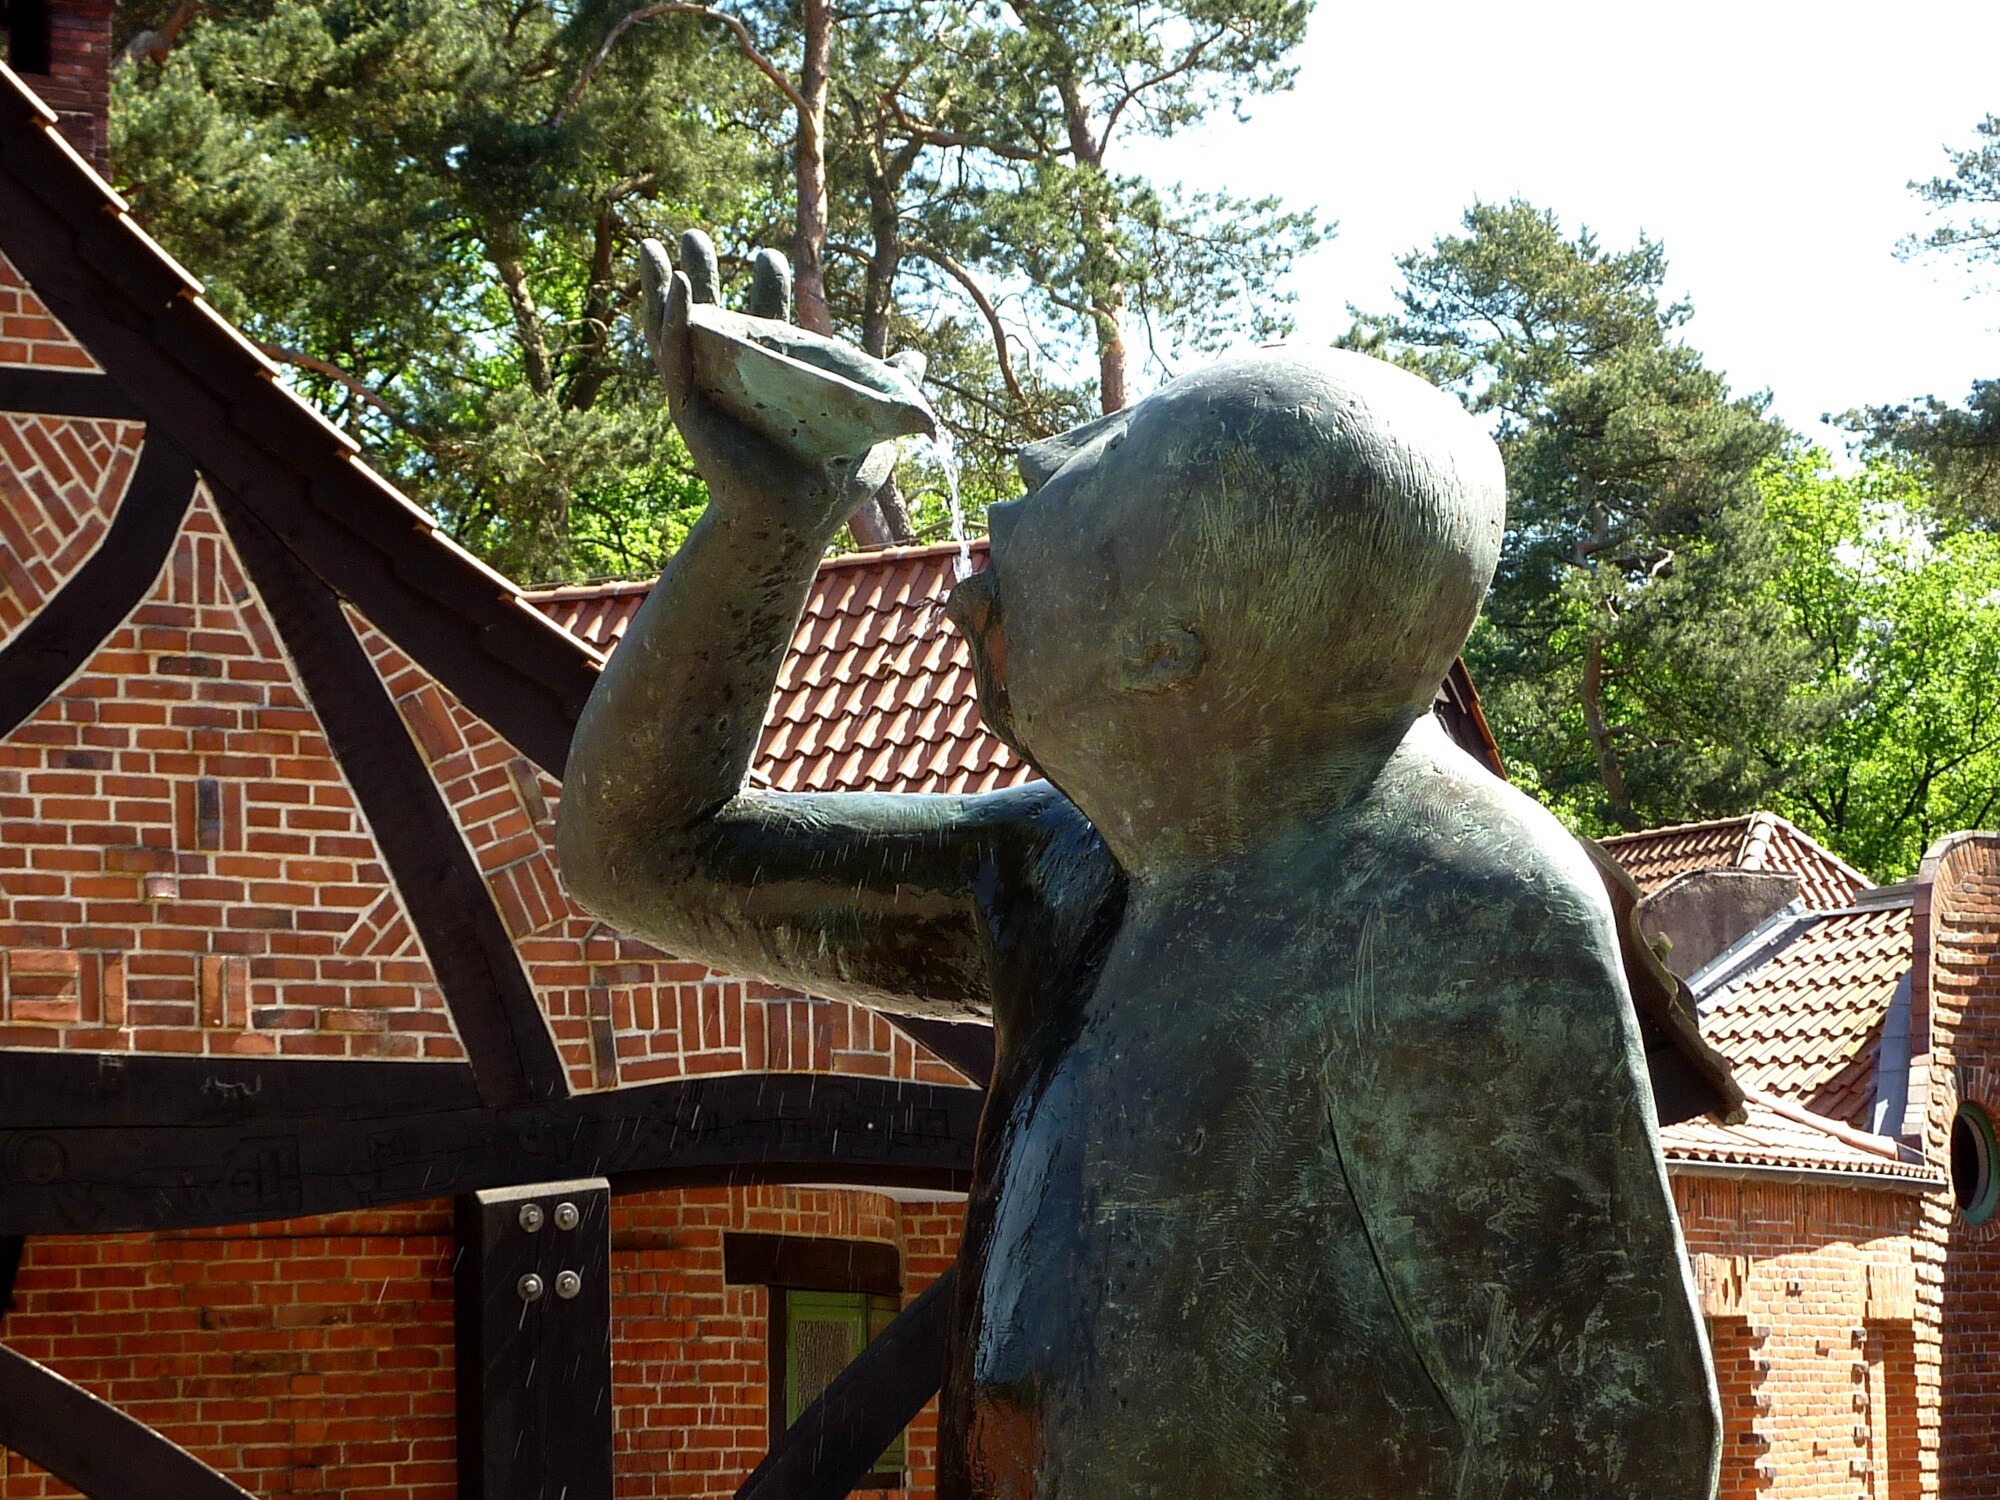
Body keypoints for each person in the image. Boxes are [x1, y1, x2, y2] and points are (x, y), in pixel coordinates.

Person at [558, 231, 1721, 1499]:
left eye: (1075, 481)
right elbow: (642, 849)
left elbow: (1605, 1435)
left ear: (1164, 648)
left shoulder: (1453, 909)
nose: (1000, 514)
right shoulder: (1077, 864)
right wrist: (763, 520)